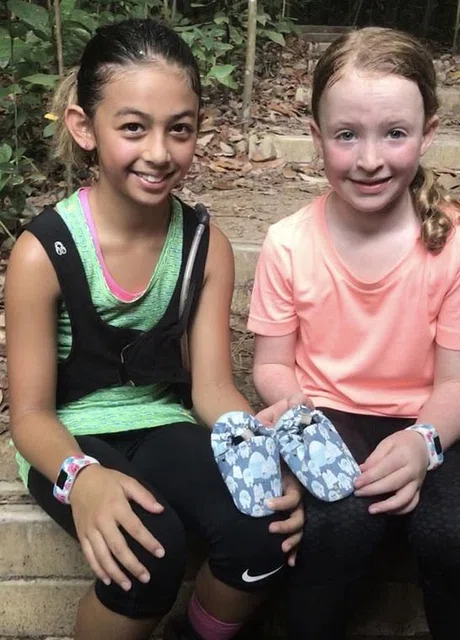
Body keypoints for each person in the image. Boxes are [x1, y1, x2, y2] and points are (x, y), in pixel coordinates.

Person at [5, 19, 303, 640]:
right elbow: (29, 414)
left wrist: (257, 450)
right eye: (134, 127)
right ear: (85, 127)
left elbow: (212, 390)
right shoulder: (45, 253)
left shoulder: (204, 246)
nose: (160, 152)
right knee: (149, 552)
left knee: (263, 532)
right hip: (67, 436)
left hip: (164, 423)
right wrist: (79, 479)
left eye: (181, 128)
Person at [246, 27, 460, 640]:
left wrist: (424, 443)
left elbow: (459, 382)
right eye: (346, 135)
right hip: (325, 417)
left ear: (428, 133)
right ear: (316, 137)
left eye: (394, 133)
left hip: (420, 416)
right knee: (338, 523)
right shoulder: (287, 244)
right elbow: (272, 366)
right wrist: (298, 415)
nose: (369, 160)